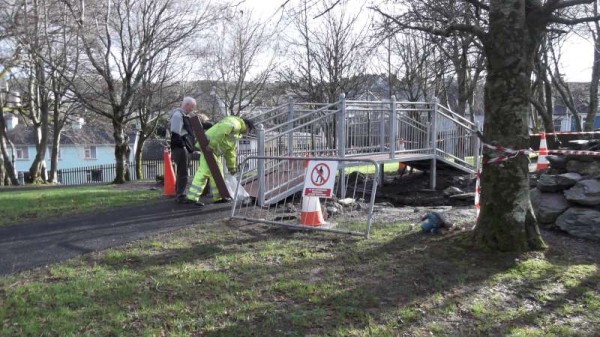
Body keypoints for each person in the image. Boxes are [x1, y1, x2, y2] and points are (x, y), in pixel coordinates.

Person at [186, 115, 254, 205]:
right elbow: (221, 131)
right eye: (249, 131)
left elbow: (230, 152)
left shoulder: (236, 132)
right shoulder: (236, 124)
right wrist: (211, 145)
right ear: (247, 126)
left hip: (211, 150)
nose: (247, 134)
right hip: (209, 147)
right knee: (204, 172)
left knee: (217, 173)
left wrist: (231, 167)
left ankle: (217, 197)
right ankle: (192, 198)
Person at [168, 96, 197, 204]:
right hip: (180, 148)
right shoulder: (177, 115)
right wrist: (184, 147)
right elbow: (176, 133)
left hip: (183, 147)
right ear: (187, 105)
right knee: (182, 172)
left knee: (183, 172)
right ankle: (180, 196)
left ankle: (180, 194)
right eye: (192, 107)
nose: (192, 109)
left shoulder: (184, 116)